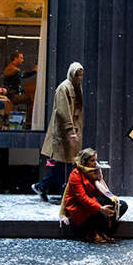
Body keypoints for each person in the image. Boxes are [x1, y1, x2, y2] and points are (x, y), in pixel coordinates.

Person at [32, 62, 84, 201]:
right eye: (77, 74)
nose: (79, 77)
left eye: (81, 75)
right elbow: (63, 112)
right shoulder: (64, 88)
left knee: (63, 165)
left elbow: (76, 112)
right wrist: (70, 131)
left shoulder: (76, 88)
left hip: (70, 133)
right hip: (63, 134)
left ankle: (43, 187)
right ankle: (60, 192)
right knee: (64, 165)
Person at [59, 148, 127, 243]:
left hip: (92, 201)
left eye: (96, 160)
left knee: (120, 205)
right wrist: (100, 208)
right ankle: (92, 233)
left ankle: (101, 230)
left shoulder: (95, 172)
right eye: (92, 160)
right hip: (79, 206)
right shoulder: (76, 174)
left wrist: (99, 178)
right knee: (98, 206)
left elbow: (103, 193)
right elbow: (82, 198)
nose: (95, 163)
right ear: (84, 161)